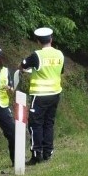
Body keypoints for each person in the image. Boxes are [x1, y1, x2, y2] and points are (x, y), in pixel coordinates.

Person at [20, 27, 64, 165]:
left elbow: (23, 65)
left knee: (35, 124)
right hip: (55, 94)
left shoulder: (37, 55)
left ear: (38, 41)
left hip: (39, 95)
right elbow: (60, 71)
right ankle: (48, 152)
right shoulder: (60, 54)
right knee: (49, 123)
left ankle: (36, 154)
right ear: (51, 39)